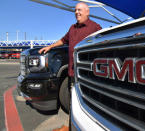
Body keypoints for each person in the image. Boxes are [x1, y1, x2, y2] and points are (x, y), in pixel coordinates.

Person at [39, 2, 101, 130]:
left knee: (89, 104)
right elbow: (63, 40)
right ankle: (73, 126)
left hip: (88, 76)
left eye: (80, 10)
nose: (77, 12)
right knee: (74, 103)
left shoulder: (95, 27)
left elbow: (104, 41)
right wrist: (50, 46)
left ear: (87, 12)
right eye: (75, 10)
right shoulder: (72, 28)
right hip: (72, 74)